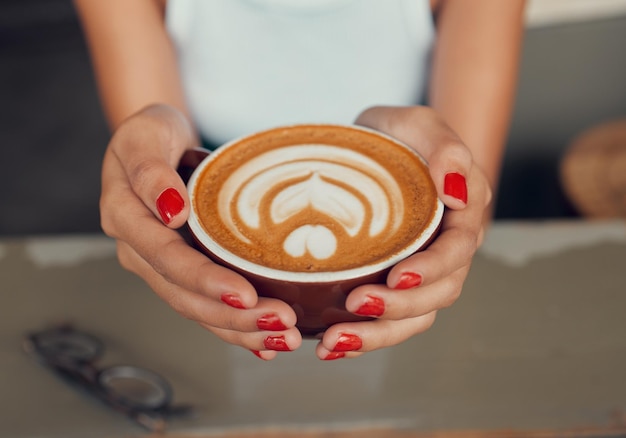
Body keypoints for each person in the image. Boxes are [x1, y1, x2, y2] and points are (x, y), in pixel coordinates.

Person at [73, 0, 526, 360]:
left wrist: (458, 199)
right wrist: (151, 166)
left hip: (412, 319)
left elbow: (466, 202)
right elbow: (165, 165)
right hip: (208, 304)